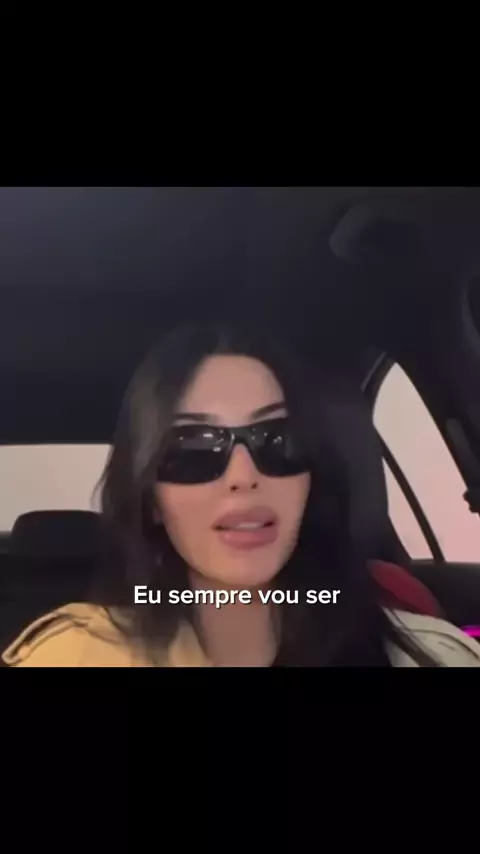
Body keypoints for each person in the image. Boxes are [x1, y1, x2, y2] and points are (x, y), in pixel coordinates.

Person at [3, 322, 480, 667]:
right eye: (193, 449)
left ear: (311, 479)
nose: (242, 475)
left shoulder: (429, 654)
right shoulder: (77, 656)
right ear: (151, 499)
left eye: (277, 440)